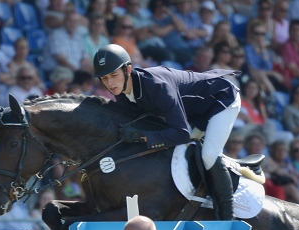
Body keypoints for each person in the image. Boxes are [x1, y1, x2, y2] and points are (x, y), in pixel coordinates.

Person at [93, 44, 241, 220]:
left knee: (209, 154)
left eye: (114, 75)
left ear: (128, 70)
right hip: (195, 113)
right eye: (104, 78)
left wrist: (142, 136)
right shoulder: (123, 92)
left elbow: (182, 134)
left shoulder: (156, 86)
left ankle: (227, 216)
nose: (110, 83)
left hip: (221, 99)